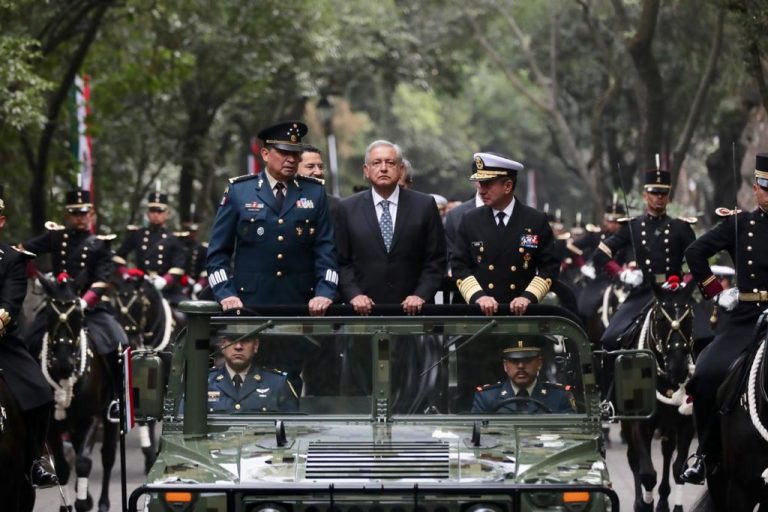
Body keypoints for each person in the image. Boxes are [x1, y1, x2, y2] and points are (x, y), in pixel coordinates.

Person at [680, 153, 768, 484]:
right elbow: (695, 252)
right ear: (756, 189)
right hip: (747, 318)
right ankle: (707, 453)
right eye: (764, 188)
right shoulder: (740, 224)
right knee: (705, 374)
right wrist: (716, 291)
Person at [206, 121, 338, 315]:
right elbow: (217, 254)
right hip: (249, 304)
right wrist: (226, 294)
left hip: (302, 304)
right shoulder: (239, 191)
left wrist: (325, 292)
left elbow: (326, 251)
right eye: (284, 153)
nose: (291, 159)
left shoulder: (314, 192)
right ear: (266, 154)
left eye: (295, 154)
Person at [21, 189, 128, 420]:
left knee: (119, 342)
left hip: (88, 308)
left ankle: (117, 400)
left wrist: (84, 300)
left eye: (84, 213)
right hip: (58, 306)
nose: (80, 217)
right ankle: (28, 397)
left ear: (91, 214)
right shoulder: (55, 237)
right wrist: (35, 272)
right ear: (67, 215)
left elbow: (102, 280)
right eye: (75, 213)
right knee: (27, 340)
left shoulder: (101, 244)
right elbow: (24, 250)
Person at [335, 140, 446, 314]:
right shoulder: (347, 208)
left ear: (401, 169)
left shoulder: (424, 205)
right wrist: (353, 295)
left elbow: (436, 259)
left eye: (390, 163)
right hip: (363, 312)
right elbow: (342, 261)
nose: (384, 168)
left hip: (413, 312)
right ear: (366, 170)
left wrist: (420, 295)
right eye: (376, 163)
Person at [592, 169, 696, 350]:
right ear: (645, 195)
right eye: (654, 193)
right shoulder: (633, 226)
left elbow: (698, 260)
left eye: (663, 193)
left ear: (668, 196)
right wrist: (622, 274)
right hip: (644, 292)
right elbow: (601, 253)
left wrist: (685, 284)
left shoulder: (681, 227)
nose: (659, 197)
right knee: (610, 339)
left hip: (675, 294)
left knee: (704, 337)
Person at [450, 152, 560, 316]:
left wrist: (528, 297)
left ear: (508, 186)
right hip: (479, 316)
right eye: (479, 183)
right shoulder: (470, 220)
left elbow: (549, 267)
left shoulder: (535, 220)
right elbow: (459, 265)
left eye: (487, 184)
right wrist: (478, 297)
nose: (481, 191)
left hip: (520, 316)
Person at [0, 189, 58, 487]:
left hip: (2, 344)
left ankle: (34, 459)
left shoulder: (12, 259)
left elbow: (9, 303)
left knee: (41, 394)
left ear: (1, 221)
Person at [114, 190, 188, 305]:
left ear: (166, 214)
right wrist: (126, 275)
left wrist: (164, 280)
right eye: (153, 210)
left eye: (160, 211)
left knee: (186, 313)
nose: (156, 214)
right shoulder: (137, 234)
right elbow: (119, 257)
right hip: (140, 287)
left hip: (166, 289)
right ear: (148, 214)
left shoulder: (174, 239)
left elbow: (179, 266)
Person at [472, 339, 576, 413]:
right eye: (514, 361)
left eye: (527, 360)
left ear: (539, 363)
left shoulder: (559, 397)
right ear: (505, 365)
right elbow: (477, 437)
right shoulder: (486, 398)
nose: (521, 366)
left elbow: (571, 435)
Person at [206, 333, 298, 413]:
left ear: (256, 345)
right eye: (232, 340)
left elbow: (292, 427)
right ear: (222, 345)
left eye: (245, 340)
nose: (238, 347)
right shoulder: (204, 383)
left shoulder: (277, 383)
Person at [298, 145, 340, 220]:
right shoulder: (282, 202)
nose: (318, 172)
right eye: (310, 166)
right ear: (294, 169)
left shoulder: (338, 206)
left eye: (320, 167)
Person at [175, 207, 208, 297]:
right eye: (189, 230)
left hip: (194, 287)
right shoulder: (176, 245)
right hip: (175, 286)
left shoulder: (202, 249)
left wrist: (200, 284)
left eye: (194, 231)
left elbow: (205, 270)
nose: (191, 234)